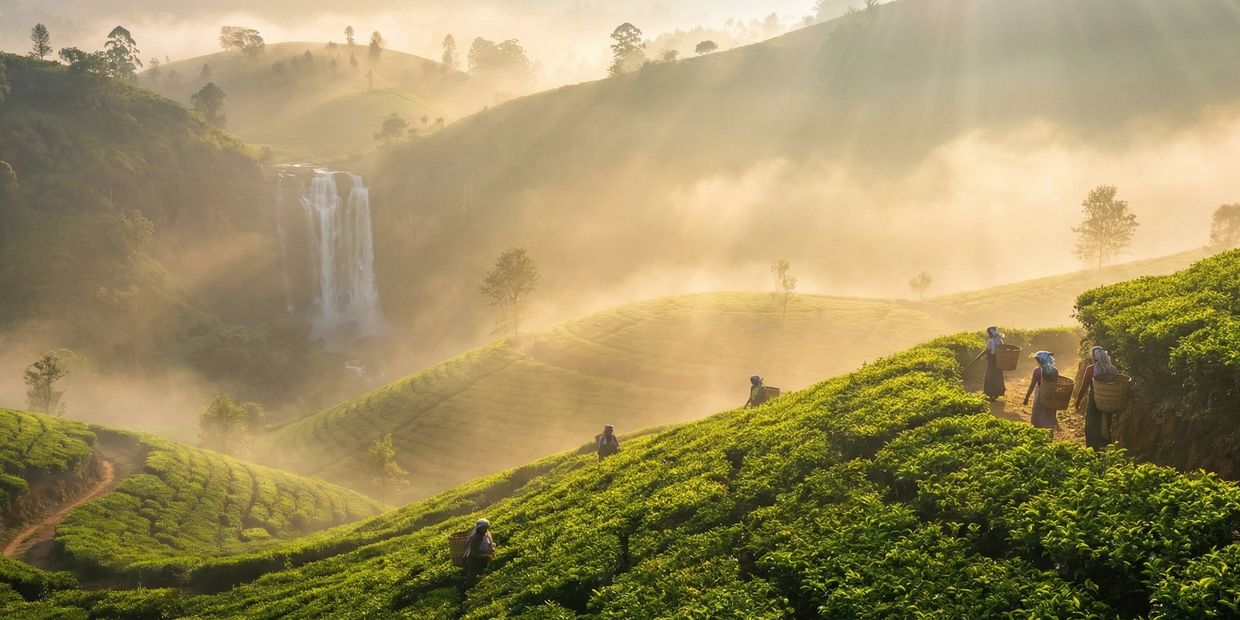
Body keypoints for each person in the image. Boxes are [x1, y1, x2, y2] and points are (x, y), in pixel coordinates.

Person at [1075, 346, 1118, 450]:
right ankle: (1104, 447)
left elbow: (1084, 386)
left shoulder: (1091, 369)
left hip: (1094, 399)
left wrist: (1078, 401)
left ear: (1095, 357)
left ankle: (1092, 448)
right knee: (1106, 423)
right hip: (1108, 400)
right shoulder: (1112, 369)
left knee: (1092, 423)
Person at [1022, 351, 1060, 432]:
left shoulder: (1037, 371)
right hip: (1050, 396)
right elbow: (1056, 385)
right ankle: (1049, 431)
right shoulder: (1055, 371)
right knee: (1049, 414)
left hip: (1040, 395)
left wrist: (1026, 397)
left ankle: (1038, 433)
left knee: (1038, 414)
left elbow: (1032, 386)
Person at [462, 518, 495, 588]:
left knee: (483, 578)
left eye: (485, 528)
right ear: (478, 528)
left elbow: (490, 545)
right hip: (475, 562)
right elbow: (473, 554)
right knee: (473, 581)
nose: (484, 529)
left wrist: (492, 549)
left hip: (484, 560)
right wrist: (485, 555)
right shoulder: (476, 537)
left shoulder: (487, 535)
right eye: (482, 528)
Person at [982, 326, 1007, 402]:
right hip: (998, 361)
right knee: (997, 377)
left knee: (990, 377)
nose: (988, 334)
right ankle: (995, 394)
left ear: (991, 333)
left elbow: (992, 351)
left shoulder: (991, 341)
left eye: (988, 333)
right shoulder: (999, 340)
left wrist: (986, 353)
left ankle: (991, 395)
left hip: (992, 362)